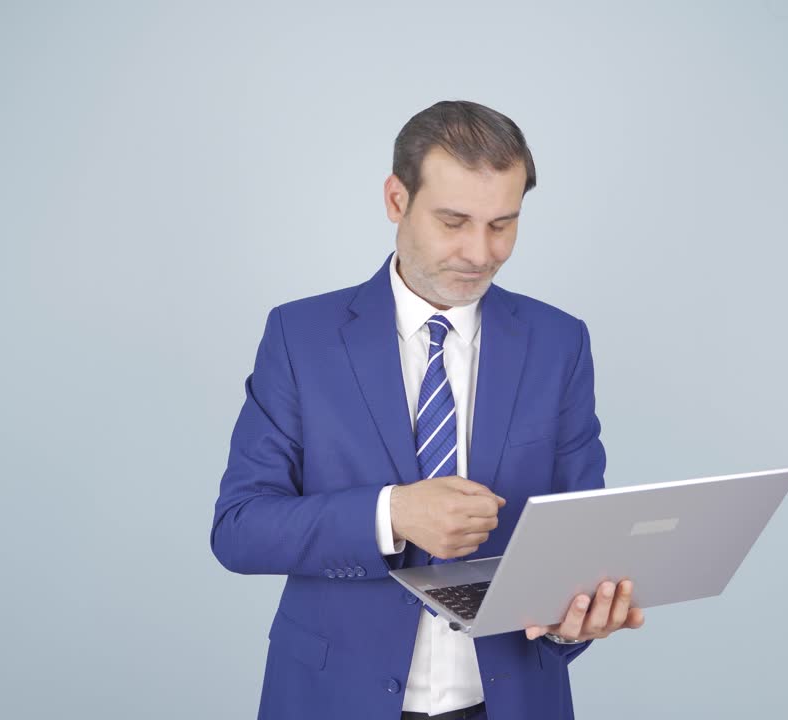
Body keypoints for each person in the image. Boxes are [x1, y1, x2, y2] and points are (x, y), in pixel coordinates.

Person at [210, 100, 645, 720]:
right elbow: (241, 528)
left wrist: (573, 622)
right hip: (334, 700)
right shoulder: (299, 337)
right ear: (396, 200)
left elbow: (576, 539)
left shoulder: (559, 343)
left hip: (513, 701)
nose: (478, 252)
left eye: (502, 224)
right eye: (453, 221)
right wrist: (392, 513)